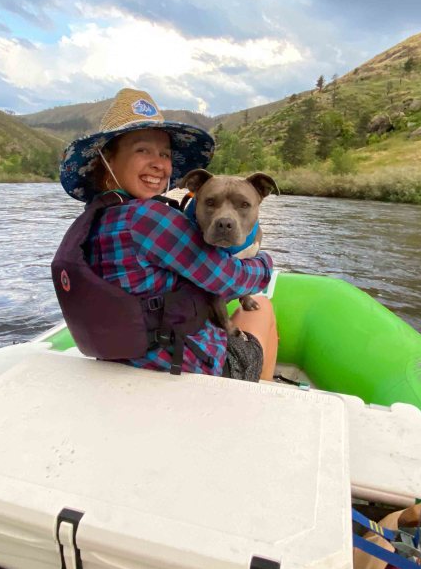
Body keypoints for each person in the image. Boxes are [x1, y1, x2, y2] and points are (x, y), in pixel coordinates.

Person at [52, 88, 278, 380]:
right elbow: (229, 281)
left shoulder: (99, 215)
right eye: (142, 150)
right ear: (108, 159)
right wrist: (265, 264)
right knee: (263, 312)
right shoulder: (148, 218)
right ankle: (258, 406)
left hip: (122, 357)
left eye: (165, 154)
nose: (158, 163)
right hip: (181, 364)